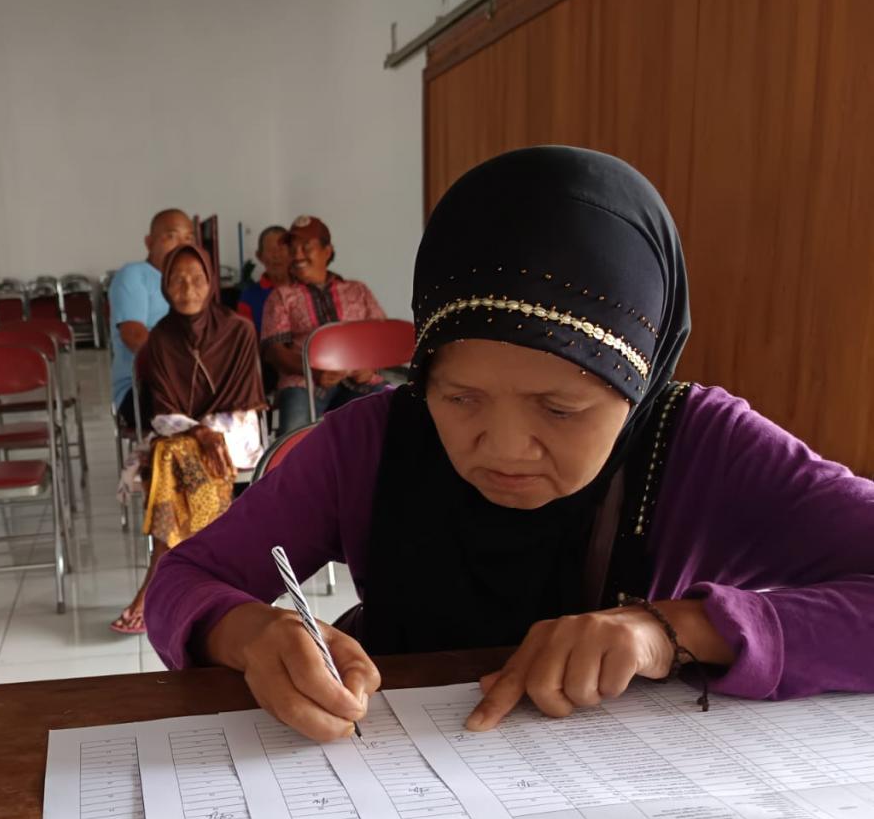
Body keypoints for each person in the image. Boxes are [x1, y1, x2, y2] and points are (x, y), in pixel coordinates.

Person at [145, 146, 874, 743]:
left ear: (639, 385)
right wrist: (248, 633)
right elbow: (184, 579)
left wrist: (674, 630)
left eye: (559, 409)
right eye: (459, 398)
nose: (504, 447)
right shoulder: (372, 441)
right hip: (399, 783)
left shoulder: (702, 446)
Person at [111, 246, 266, 635]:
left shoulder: (239, 331)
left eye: (196, 278)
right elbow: (161, 412)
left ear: (211, 282)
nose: (187, 288)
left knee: (173, 461)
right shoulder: (160, 339)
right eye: (177, 279)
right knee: (176, 458)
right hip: (182, 436)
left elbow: (247, 406)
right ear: (164, 286)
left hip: (234, 435)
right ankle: (201, 579)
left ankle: (158, 581)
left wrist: (209, 433)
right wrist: (197, 432)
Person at [261, 216, 388, 436]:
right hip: (304, 383)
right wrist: (313, 371)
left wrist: (370, 366)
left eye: (306, 247)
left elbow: (384, 337)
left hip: (360, 380)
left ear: (327, 251)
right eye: (293, 249)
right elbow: (275, 352)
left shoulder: (357, 290)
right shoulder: (281, 296)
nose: (298, 255)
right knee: (293, 440)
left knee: (390, 421)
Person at [109, 209, 195, 429]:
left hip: (189, 381)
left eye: (188, 238)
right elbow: (133, 335)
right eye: (171, 236)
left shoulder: (193, 282)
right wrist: (183, 366)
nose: (180, 245)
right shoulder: (134, 275)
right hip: (141, 389)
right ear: (149, 242)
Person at [236, 225, 291, 335]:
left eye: (281, 249)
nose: (276, 255)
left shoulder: (306, 289)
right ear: (259, 256)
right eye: (271, 250)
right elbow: (247, 342)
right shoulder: (249, 297)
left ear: (292, 253)